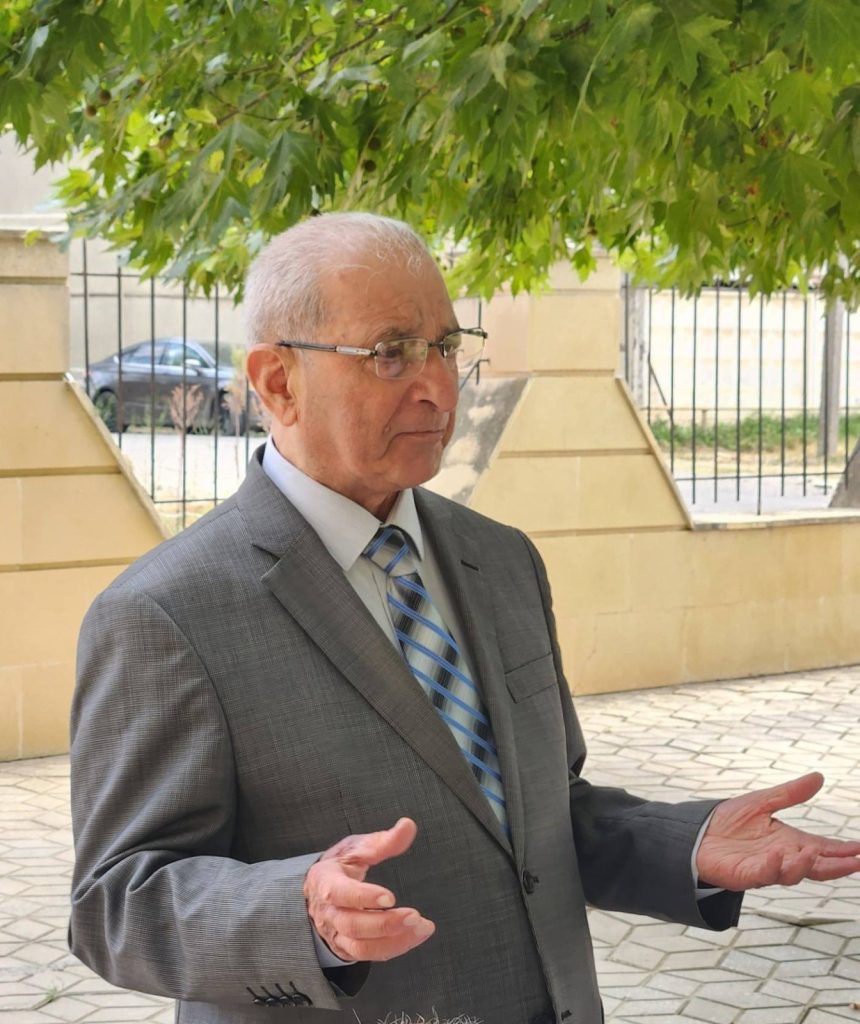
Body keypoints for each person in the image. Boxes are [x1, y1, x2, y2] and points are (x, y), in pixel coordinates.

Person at [69, 213, 860, 1024]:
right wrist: (299, 911)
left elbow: (542, 811)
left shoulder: (502, 560)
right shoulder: (165, 614)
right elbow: (116, 902)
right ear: (278, 382)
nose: (441, 389)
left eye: (446, 347)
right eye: (390, 353)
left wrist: (686, 843)